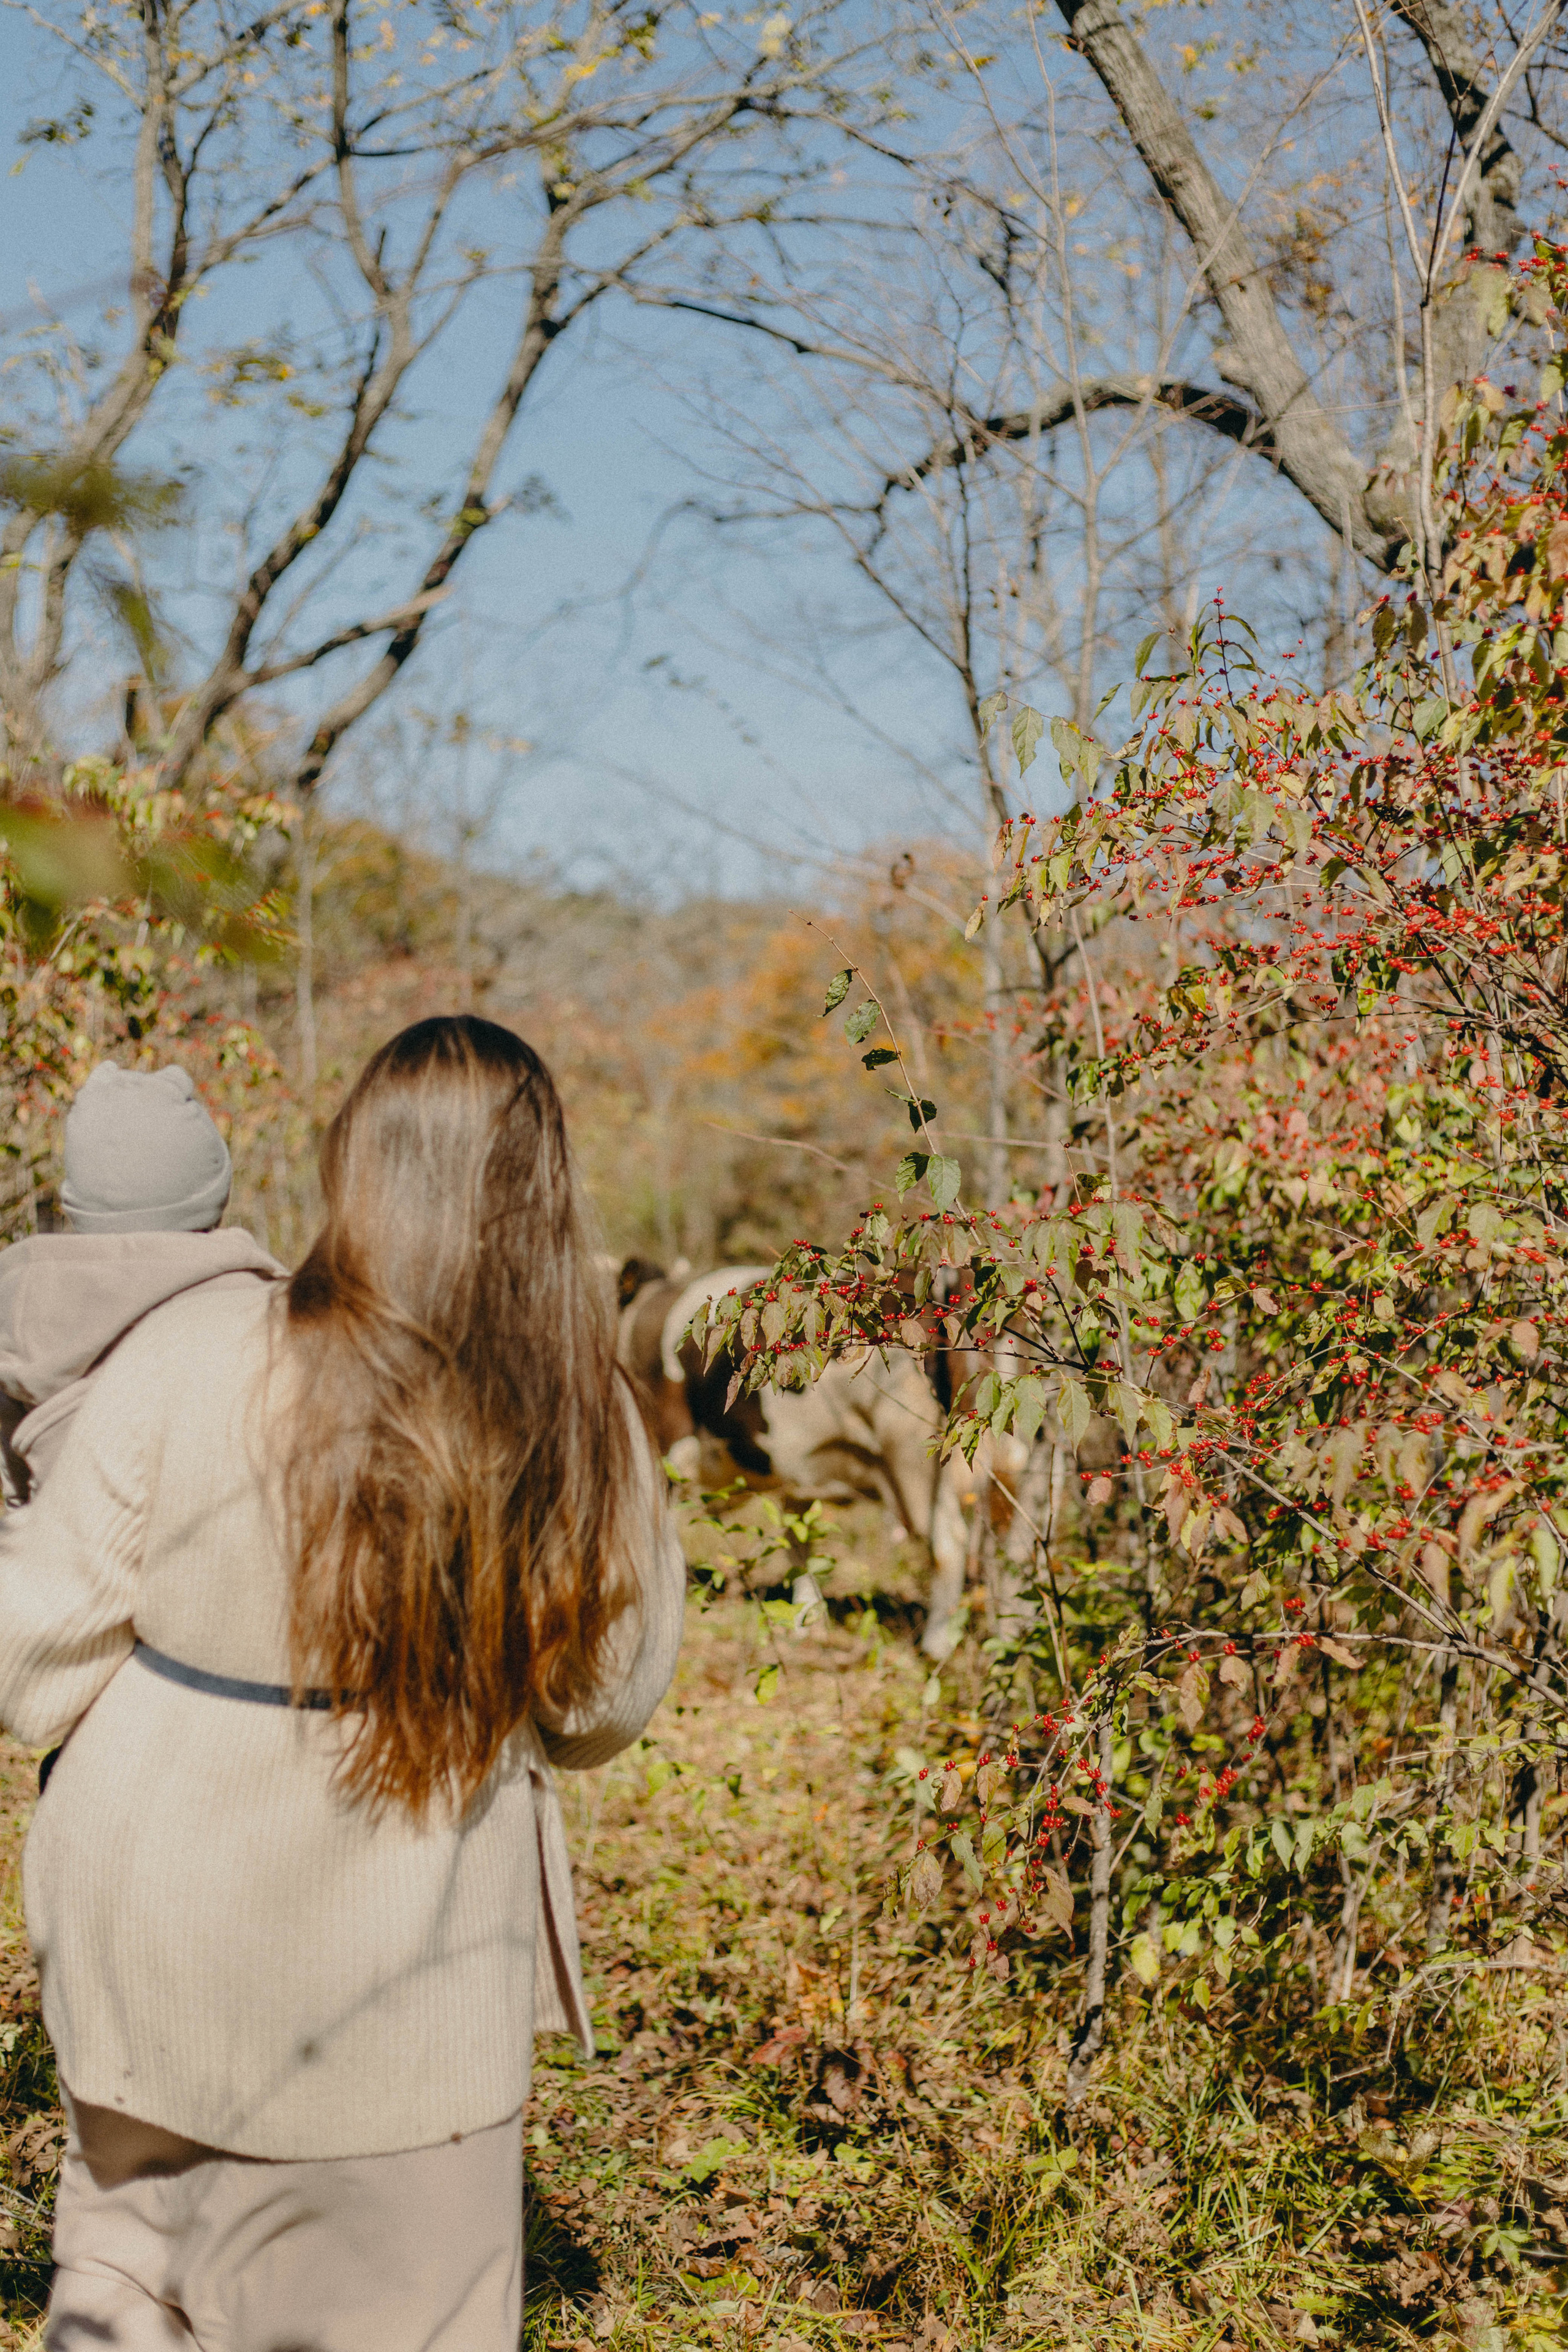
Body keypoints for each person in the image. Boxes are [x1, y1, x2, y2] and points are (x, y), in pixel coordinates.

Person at [0, 1015, 685, 2351]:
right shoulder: (581, 1412)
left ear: (349, 1166)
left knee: (129, 2302)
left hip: (149, 1947)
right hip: (410, 1981)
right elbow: (602, 1705)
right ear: (544, 1185)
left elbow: (29, 1664)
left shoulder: (190, 1356)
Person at [0, 1062, 281, 1502]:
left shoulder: (23, 1321)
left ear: (77, 1203)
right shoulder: (274, 1320)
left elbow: (20, 1507)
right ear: (212, 1194)